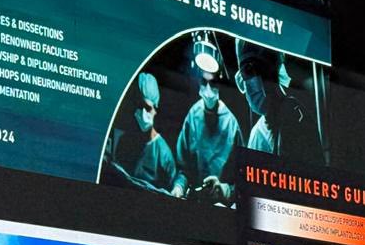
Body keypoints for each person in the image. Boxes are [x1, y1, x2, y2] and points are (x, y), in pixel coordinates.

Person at [235, 40, 319, 163]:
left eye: (262, 70)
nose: (257, 81)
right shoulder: (256, 133)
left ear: (276, 71)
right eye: (248, 71)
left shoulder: (296, 118)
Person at [171, 70, 243, 203]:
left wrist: (223, 190)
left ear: (220, 84)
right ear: (198, 82)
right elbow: (183, 169)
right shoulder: (193, 117)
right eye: (204, 82)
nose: (208, 88)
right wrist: (179, 187)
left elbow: (242, 181)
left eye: (213, 83)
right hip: (193, 203)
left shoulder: (231, 124)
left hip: (221, 207)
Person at [103, 72, 178, 194]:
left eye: (148, 108)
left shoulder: (164, 154)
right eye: (140, 106)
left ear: (156, 110)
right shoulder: (125, 141)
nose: (143, 113)